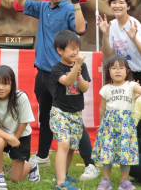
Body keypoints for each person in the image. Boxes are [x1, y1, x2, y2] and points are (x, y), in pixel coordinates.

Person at [18, 0, 99, 181]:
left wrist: (76, 3)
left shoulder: (69, 7)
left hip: (64, 73)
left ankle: (90, 164)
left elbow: (80, 30)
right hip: (44, 71)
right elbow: (21, 1)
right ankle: (43, 155)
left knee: (71, 114)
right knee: (46, 114)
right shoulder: (43, 6)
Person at [97, 0, 141, 138]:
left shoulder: (133, 24)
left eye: (121, 3)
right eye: (114, 2)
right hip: (128, 74)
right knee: (133, 112)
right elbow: (108, 54)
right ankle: (133, 145)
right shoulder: (111, 25)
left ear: (128, 6)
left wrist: (134, 39)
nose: (117, 6)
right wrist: (105, 34)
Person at [92, 55, 141, 190]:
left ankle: (124, 181)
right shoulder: (106, 88)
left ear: (127, 71)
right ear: (108, 71)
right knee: (107, 152)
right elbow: (102, 108)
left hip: (126, 126)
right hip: (109, 125)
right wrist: (101, 124)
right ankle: (105, 180)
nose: (117, 70)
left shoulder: (131, 85)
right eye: (113, 68)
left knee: (125, 152)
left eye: (121, 68)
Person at [0, 65, 40, 190]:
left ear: (12, 84)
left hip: (21, 135)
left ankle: (32, 165)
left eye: (5, 83)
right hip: (3, 134)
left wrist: (15, 138)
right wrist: (10, 138)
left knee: (16, 179)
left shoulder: (21, 97)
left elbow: (24, 122)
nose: (0, 87)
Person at [50, 30, 91, 190]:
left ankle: (63, 175)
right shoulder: (56, 69)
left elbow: (84, 88)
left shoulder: (83, 66)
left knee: (72, 146)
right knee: (64, 144)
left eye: (77, 48)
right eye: (71, 48)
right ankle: (61, 184)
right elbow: (67, 81)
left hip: (76, 113)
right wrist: (77, 67)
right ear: (60, 50)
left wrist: (79, 74)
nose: (75, 52)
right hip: (59, 112)